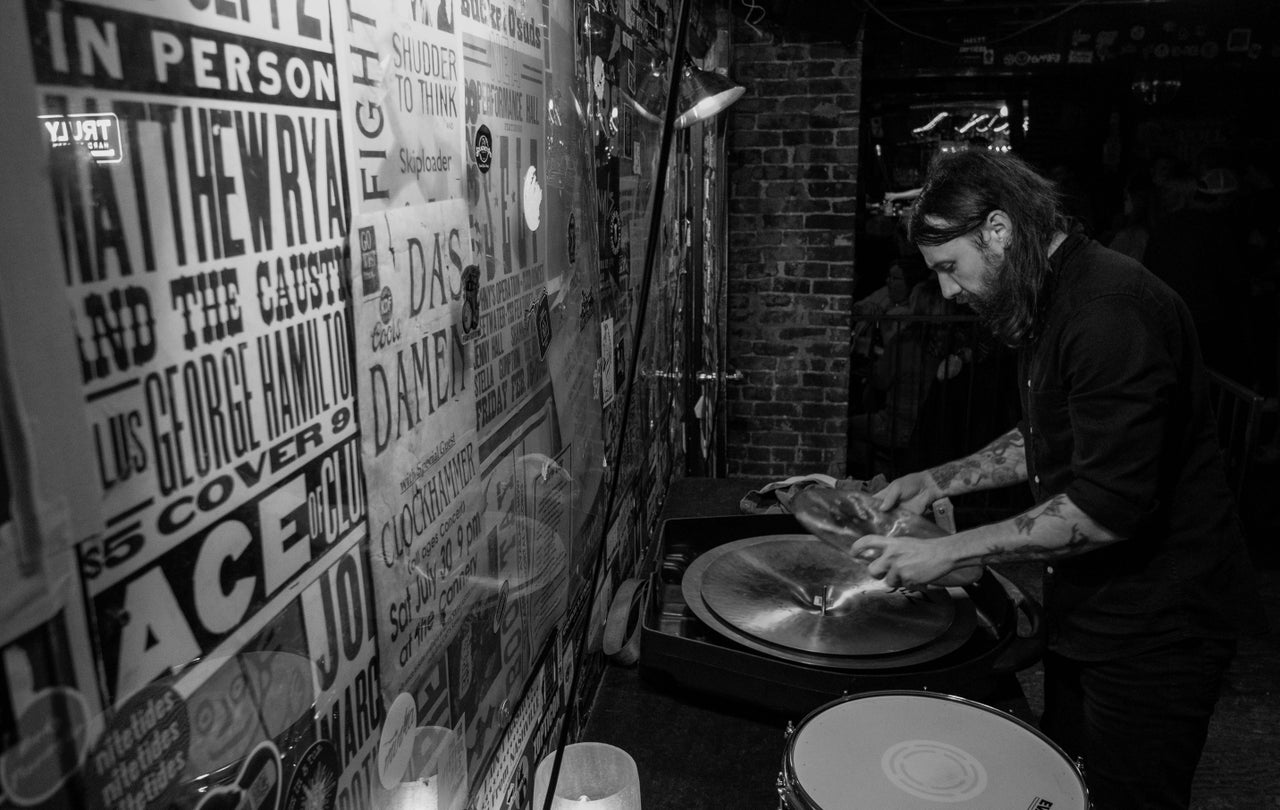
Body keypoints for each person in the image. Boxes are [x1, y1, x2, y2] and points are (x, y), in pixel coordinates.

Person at [851, 149, 1267, 810]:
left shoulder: (1110, 312)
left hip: (1158, 627)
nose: (951, 293)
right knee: (1064, 785)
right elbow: (1044, 435)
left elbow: (1105, 510)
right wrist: (936, 480)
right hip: (1093, 610)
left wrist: (945, 551)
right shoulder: (1051, 301)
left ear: (998, 230)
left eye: (951, 269)